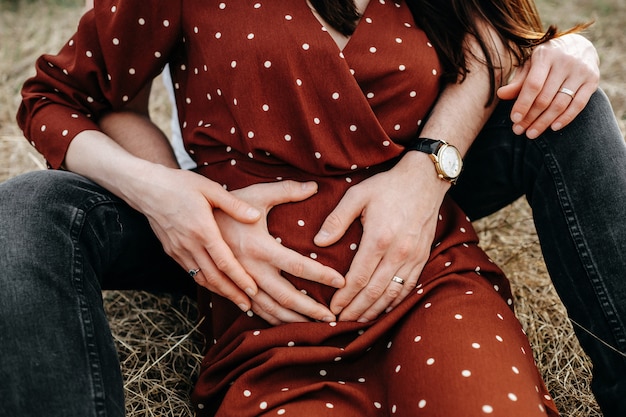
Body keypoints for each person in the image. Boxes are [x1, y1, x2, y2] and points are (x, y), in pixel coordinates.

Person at [0, 1, 622, 417]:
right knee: (24, 208)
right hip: (262, 295)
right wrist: (175, 197)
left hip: (424, 272)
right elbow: (59, 96)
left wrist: (429, 168)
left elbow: (505, 41)